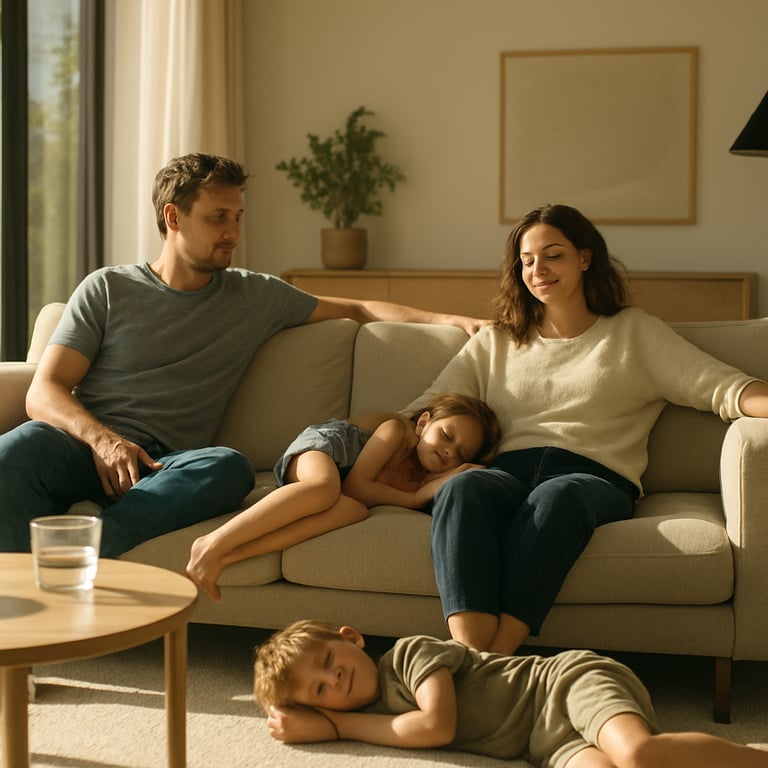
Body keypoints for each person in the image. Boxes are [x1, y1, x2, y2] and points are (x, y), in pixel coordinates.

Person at [0, 153, 486, 558]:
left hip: (168, 466)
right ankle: (20, 605)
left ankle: (95, 553)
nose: (232, 231)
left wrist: (456, 321)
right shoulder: (108, 288)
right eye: (218, 218)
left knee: (228, 467)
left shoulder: (254, 296)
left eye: (237, 218)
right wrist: (104, 442)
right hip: (86, 448)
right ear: (173, 217)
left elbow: (359, 307)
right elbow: (45, 391)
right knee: (19, 447)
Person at [403, 203, 768, 658]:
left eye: (552, 255)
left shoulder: (634, 333)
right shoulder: (497, 340)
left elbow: (723, 388)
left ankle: (493, 660)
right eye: (528, 260)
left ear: (585, 258)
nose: (538, 269)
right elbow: (421, 411)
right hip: (507, 474)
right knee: (464, 486)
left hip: (592, 480)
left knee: (557, 496)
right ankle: (471, 651)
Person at [253, 620, 768, 768]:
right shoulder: (379, 717)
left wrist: (335, 726)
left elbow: (437, 727)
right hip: (545, 746)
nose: (335, 679)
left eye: (328, 662)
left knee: (636, 754)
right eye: (320, 690)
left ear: (351, 638)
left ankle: (752, 758)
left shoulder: (409, 655)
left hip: (564, 685)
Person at [186, 392, 501, 602]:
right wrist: (416, 497)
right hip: (325, 449)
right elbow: (357, 486)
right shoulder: (394, 430)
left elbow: (355, 499)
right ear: (423, 423)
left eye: (460, 453)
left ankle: (229, 557)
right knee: (325, 487)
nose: (449, 450)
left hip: (340, 485)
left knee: (352, 512)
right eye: (447, 436)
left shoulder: (424, 477)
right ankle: (213, 542)